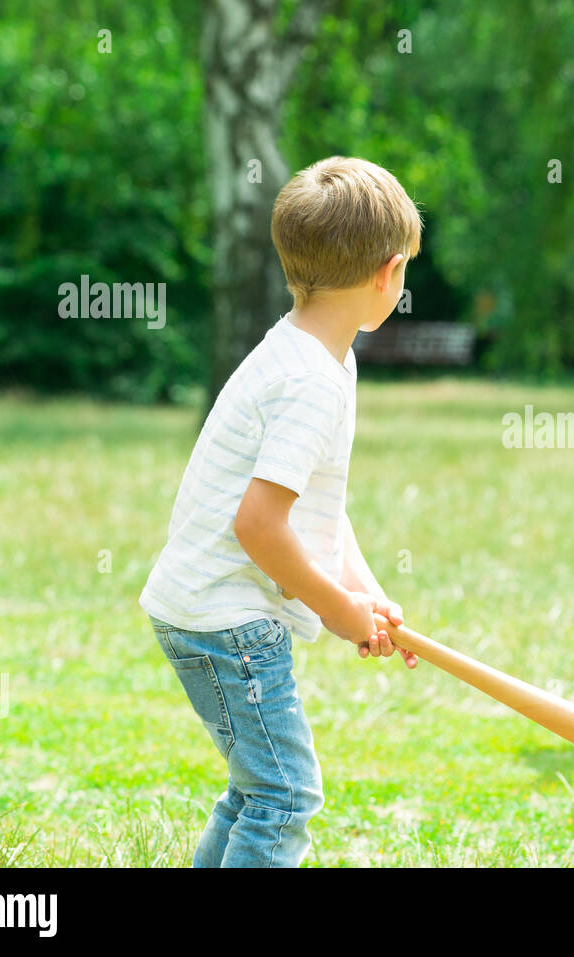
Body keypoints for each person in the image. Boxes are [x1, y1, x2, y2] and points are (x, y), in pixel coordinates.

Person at [139, 156, 422, 866]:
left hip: (208, 608)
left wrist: (365, 592)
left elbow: (319, 505)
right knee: (284, 796)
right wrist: (335, 608)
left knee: (257, 789)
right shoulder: (310, 383)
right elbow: (259, 526)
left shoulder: (318, 354)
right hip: (226, 619)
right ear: (389, 273)